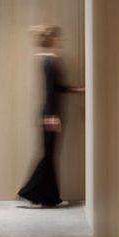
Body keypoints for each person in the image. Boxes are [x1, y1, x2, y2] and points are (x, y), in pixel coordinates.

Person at [17, 25, 83, 207]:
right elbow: (49, 92)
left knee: (50, 155)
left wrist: (78, 89)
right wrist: (51, 116)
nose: (60, 40)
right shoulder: (48, 61)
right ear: (52, 39)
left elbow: (57, 87)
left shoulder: (50, 60)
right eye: (57, 38)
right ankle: (28, 192)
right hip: (49, 114)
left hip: (49, 113)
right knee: (48, 156)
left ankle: (50, 198)